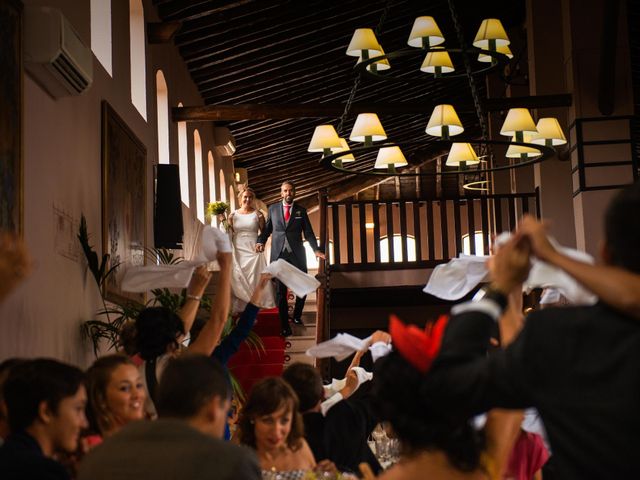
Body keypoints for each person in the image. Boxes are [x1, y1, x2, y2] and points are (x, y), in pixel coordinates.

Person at [422, 183, 640, 477]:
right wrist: (555, 258)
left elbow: (451, 383)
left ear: (605, 253)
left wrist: (503, 287)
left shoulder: (560, 335)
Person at [78, 354, 261, 480]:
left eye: (139, 385)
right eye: (227, 408)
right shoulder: (232, 463)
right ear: (214, 406)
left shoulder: (97, 458)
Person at [282, 331, 392, 476]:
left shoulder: (282, 437)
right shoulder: (344, 416)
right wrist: (380, 349)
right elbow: (384, 395)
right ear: (322, 394)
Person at [136, 254, 231, 416]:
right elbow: (218, 321)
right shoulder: (173, 368)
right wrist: (226, 268)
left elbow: (181, 329)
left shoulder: (141, 369)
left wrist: (197, 292)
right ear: (170, 341)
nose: (182, 336)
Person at [256, 180, 325, 337]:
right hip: (278, 254)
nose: (288, 193)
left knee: (304, 285)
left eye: (291, 191)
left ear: (295, 192)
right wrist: (260, 241)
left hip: (297, 254)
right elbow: (267, 230)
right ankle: (284, 325)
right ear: (281, 193)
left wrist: (316, 250)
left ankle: (297, 315)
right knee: (280, 291)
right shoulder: (272, 209)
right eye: (285, 191)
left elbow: (308, 233)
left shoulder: (301, 211)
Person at [0, 359, 88, 480]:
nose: (84, 424)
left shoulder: (9, 456)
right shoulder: (43, 471)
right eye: (78, 409)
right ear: (46, 412)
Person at [237, 377, 325, 479]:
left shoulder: (300, 446)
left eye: (284, 421)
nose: (276, 431)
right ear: (252, 417)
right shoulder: (239, 456)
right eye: (267, 420)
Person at [228, 186, 275, 312]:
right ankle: (242, 303)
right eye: (245, 197)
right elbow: (229, 231)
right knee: (239, 273)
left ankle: (257, 301)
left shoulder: (258, 214)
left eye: (250, 197)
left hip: (253, 248)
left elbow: (264, 233)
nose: (247, 199)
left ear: (253, 199)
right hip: (238, 247)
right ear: (240, 198)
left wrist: (261, 244)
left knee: (254, 275)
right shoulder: (233, 215)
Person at [85, 354, 146, 445]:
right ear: (101, 399)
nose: (137, 395)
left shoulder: (145, 438)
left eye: (139, 385)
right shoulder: (93, 448)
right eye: (125, 388)